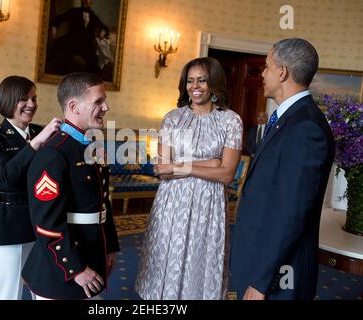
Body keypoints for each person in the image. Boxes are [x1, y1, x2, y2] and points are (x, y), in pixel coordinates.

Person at [229, 38, 335, 300]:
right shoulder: (287, 119)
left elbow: (291, 213)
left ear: (282, 71)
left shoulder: (305, 127)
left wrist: (262, 281)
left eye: (266, 66)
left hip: (279, 275)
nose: (262, 74)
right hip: (262, 260)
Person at [135, 57, 243, 300]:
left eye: (202, 80)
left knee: (200, 261)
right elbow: (162, 169)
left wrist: (179, 165)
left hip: (209, 205)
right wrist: (211, 162)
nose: (195, 86)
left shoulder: (230, 121)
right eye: (190, 81)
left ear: (214, 83)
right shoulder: (173, 118)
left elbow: (226, 174)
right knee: (166, 260)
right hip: (172, 202)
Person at [22, 72, 120, 300]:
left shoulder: (91, 147)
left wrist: (110, 247)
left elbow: (103, 202)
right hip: (61, 272)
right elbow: (46, 223)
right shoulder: (54, 153)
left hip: (92, 257)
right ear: (74, 106)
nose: (106, 107)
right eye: (98, 101)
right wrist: (75, 269)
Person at [0, 76, 62, 300]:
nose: (32, 104)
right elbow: (4, 177)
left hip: (43, 221)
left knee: (42, 289)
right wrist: (36, 144)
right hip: (9, 224)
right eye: (24, 99)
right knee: (9, 292)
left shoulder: (41, 131)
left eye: (34, 98)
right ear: (8, 100)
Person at [46, 0, 107, 77]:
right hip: (72, 41)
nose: (91, 1)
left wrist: (103, 31)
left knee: (94, 63)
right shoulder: (74, 11)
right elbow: (59, 18)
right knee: (60, 55)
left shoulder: (93, 16)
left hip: (86, 44)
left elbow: (104, 27)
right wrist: (54, 28)